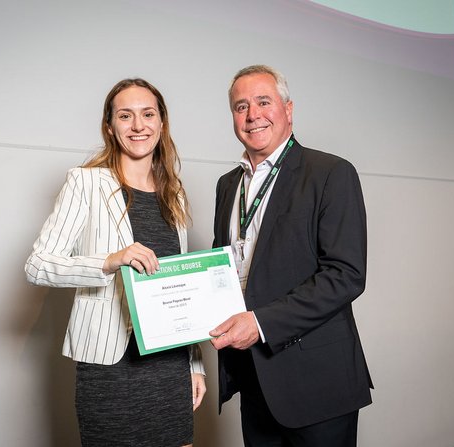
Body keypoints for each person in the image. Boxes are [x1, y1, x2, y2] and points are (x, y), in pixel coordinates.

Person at [25, 78, 206, 447]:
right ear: (110, 126)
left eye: (148, 114)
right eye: (126, 116)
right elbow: (37, 264)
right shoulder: (86, 183)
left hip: (170, 367)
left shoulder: (176, 195)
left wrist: (195, 365)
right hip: (110, 366)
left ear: (162, 123)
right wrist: (109, 261)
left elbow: (181, 289)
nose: (138, 126)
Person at [209, 65, 372, 447]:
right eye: (241, 106)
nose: (253, 115)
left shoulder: (330, 172)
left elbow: (346, 274)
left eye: (264, 102)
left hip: (317, 383)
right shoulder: (227, 185)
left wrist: (261, 323)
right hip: (253, 379)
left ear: (288, 109)